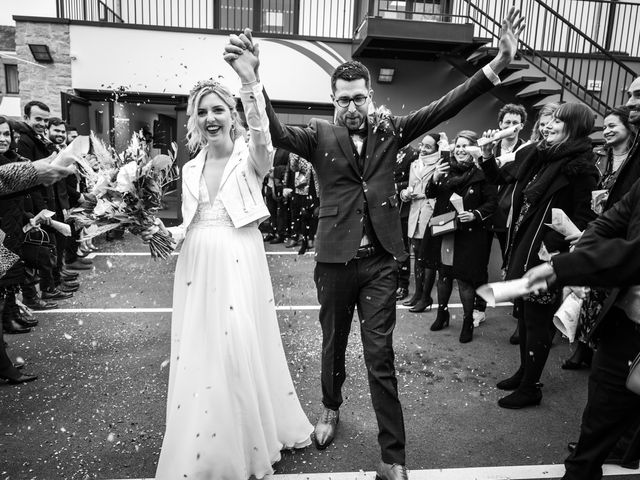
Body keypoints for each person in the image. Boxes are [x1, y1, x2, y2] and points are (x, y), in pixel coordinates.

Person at [225, 8, 524, 478]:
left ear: (372, 96)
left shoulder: (392, 130)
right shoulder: (319, 134)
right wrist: (253, 80)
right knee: (332, 345)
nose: (352, 106)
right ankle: (329, 407)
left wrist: (499, 65)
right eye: (343, 99)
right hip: (334, 263)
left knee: (380, 357)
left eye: (359, 97)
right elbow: (277, 132)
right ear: (332, 100)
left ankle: (393, 457)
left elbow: (447, 104)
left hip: (382, 263)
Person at [142, 44, 312, 480]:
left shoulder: (251, 156)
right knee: (202, 350)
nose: (210, 118)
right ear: (193, 120)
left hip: (239, 257)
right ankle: (206, 438)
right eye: (202, 113)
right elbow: (188, 223)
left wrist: (250, 79)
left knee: (237, 346)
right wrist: (162, 233)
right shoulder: (190, 168)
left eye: (218, 109)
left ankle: (247, 438)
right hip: (197, 263)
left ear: (231, 114)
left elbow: (262, 134)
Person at [480, 103, 599, 409]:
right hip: (523, 244)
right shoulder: (540, 155)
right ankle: (524, 373)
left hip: (546, 254)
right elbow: (503, 177)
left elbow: (583, 218)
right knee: (523, 314)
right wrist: (487, 153)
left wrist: (554, 246)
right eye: (547, 121)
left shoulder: (581, 167)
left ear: (573, 126)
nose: (547, 126)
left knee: (537, 320)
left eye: (556, 121)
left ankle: (531, 386)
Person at [524, 177, 640, 480]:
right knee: (600, 412)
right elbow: (608, 222)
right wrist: (576, 257)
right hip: (627, 321)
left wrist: (561, 268)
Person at [0, 118, 75, 384]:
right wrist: (35, 172)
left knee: (5, 291)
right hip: (5, 237)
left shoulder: (13, 158)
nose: (3, 138)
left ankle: (3, 360)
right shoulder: (12, 163)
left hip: (8, 237)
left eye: (6, 133)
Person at [425, 130, 497, 342]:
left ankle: (467, 322)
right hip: (445, 230)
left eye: (465, 146)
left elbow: (492, 203)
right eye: (458, 145)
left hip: (469, 235)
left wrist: (475, 214)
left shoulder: (482, 173)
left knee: (465, 281)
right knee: (444, 276)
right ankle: (442, 313)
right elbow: (431, 193)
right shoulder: (445, 170)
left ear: (474, 149)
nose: (460, 149)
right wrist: (435, 177)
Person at [475, 103, 528, 329]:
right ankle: (479, 308)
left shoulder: (527, 150)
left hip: (510, 215)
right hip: (487, 212)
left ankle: (519, 312)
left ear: (522, 126)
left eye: (516, 123)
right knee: (480, 262)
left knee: (514, 264)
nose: (511, 126)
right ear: (500, 124)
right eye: (507, 122)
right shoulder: (490, 147)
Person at [400, 134, 441, 312]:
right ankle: (417, 293)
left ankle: (426, 297)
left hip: (431, 213)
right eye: (422, 145)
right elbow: (410, 187)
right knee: (416, 256)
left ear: (437, 149)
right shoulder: (415, 163)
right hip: (414, 212)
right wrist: (405, 194)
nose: (423, 149)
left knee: (428, 258)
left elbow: (440, 189)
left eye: (428, 147)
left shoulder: (441, 164)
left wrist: (424, 194)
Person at [394, 144, 418, 301]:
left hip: (403, 206)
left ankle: (402, 284)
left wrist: (394, 187)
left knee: (402, 247)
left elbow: (415, 180)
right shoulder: (382, 148)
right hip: (382, 206)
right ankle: (388, 282)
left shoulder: (412, 153)